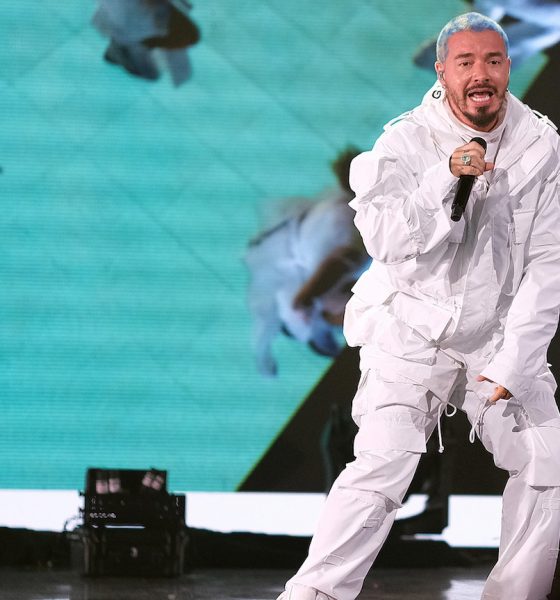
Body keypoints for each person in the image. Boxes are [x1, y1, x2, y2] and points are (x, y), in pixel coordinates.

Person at [277, 12, 560, 600]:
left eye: (493, 61)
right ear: (442, 72)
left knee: (548, 465)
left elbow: (548, 263)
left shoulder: (540, 143)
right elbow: (386, 244)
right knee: (382, 469)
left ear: (509, 67)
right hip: (412, 329)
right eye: (466, 63)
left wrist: (516, 363)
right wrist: (444, 177)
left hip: (495, 333)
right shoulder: (405, 140)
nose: (480, 75)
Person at [245, 147, 369, 377]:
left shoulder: (354, 241)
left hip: (304, 256)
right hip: (302, 255)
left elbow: (338, 266)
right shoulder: (350, 234)